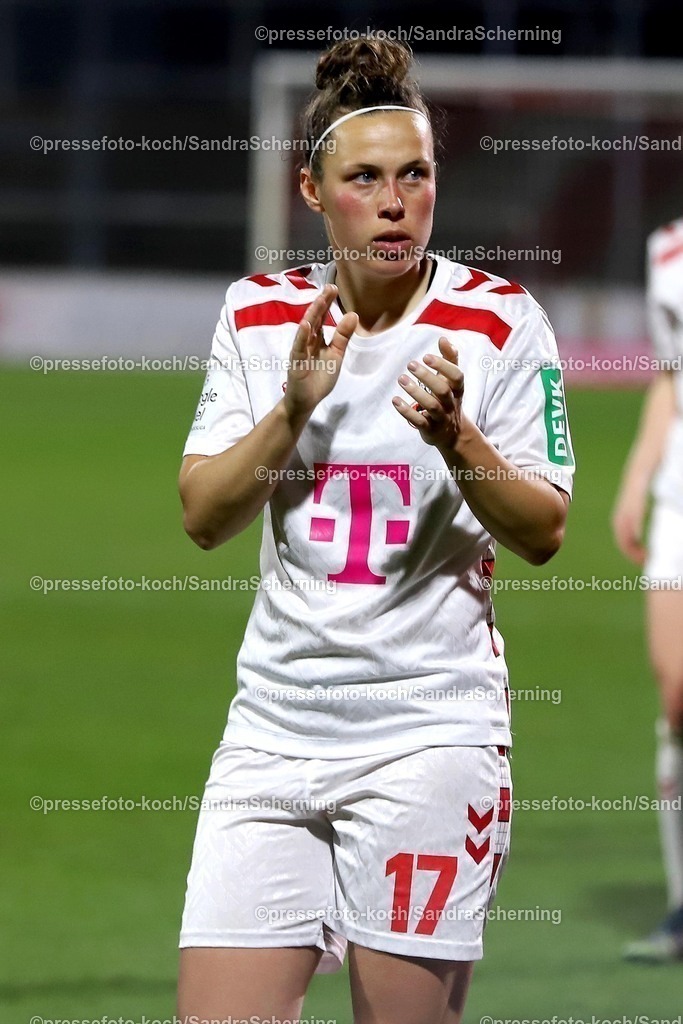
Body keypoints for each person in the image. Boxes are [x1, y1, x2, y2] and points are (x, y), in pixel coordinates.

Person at [176, 36, 574, 1023]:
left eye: (415, 175)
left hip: (427, 737)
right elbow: (202, 515)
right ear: (311, 195)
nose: (395, 201)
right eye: (364, 179)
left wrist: (456, 435)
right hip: (268, 734)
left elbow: (542, 530)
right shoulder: (260, 314)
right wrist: (292, 411)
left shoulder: (497, 321)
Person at [613, 218, 683, 963]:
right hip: (679, 498)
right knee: (676, 696)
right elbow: (671, 375)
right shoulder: (666, 250)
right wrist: (635, 478)